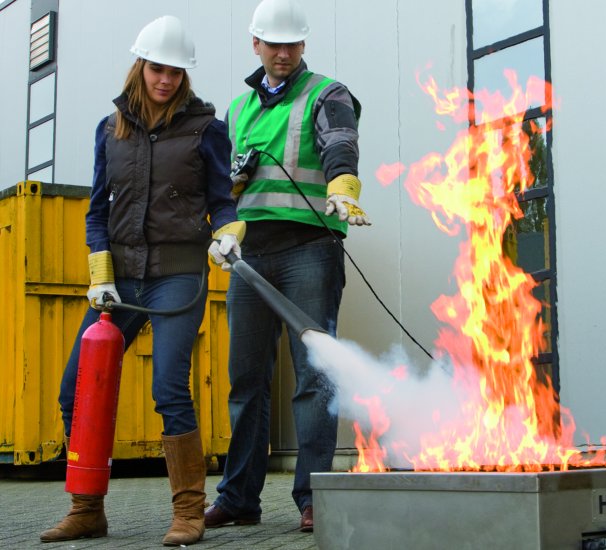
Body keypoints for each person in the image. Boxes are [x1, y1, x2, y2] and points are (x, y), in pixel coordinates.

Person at [39, 15, 242, 547]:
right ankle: (87, 508)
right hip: (121, 280)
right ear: (140, 66)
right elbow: (97, 212)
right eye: (157, 68)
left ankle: (189, 513)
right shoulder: (111, 130)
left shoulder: (205, 129)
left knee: (168, 385)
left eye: (175, 71)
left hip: (177, 276)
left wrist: (227, 233)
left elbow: (222, 201)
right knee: (76, 390)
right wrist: (100, 274)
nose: (165, 79)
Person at [204, 0, 370, 534]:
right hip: (250, 256)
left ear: (303, 46)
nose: (281, 52)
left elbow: (340, 139)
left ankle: (316, 497)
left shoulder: (326, 92)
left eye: (291, 44)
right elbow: (223, 178)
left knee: (314, 375)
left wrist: (343, 182)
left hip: (309, 247)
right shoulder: (237, 108)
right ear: (255, 44)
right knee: (245, 379)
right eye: (272, 44)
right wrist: (219, 221)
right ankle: (238, 497)